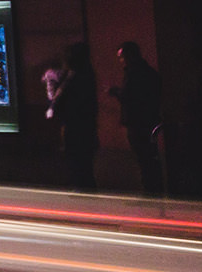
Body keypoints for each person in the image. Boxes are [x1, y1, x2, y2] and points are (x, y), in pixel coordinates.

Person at [108, 41, 164, 195]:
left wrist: (115, 92)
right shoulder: (148, 72)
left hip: (137, 121)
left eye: (122, 57)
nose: (121, 61)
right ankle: (154, 187)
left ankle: (150, 188)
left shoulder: (133, 73)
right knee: (150, 156)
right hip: (149, 119)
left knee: (143, 157)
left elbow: (129, 96)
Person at [48, 42, 99, 191]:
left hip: (75, 127)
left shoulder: (72, 77)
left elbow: (58, 100)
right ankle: (86, 194)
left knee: (78, 165)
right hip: (86, 127)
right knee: (85, 167)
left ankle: (83, 193)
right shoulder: (87, 75)